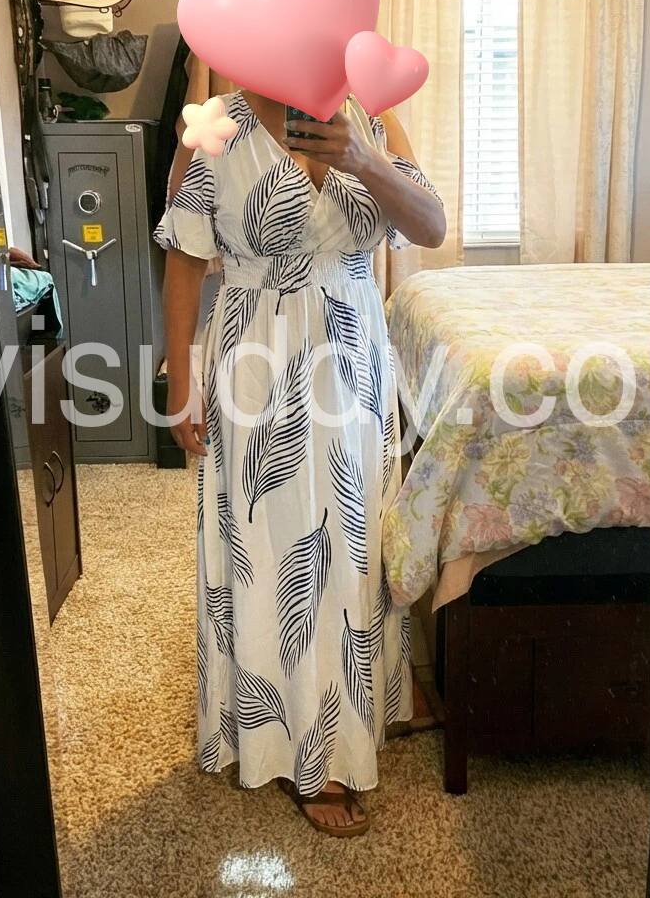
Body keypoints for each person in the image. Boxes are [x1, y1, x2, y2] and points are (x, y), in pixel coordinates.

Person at [157, 82, 445, 837]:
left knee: (350, 544)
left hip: (352, 364)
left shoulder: (371, 116)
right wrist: (180, 382)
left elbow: (431, 225)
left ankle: (354, 716)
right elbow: (184, 259)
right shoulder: (217, 126)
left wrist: (364, 159)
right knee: (272, 549)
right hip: (257, 359)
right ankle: (297, 748)